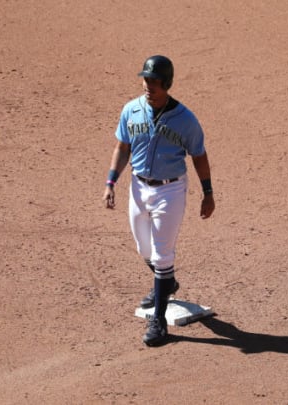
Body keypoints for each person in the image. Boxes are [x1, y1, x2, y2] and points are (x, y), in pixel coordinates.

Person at [102, 55, 215, 346]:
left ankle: (159, 323)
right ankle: (166, 283)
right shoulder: (131, 110)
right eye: (145, 80)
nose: (147, 86)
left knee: (163, 254)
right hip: (138, 188)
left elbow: (199, 156)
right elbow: (122, 147)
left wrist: (208, 193)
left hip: (170, 191)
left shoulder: (186, 120)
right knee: (144, 247)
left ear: (166, 84)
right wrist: (111, 181)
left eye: (153, 81)